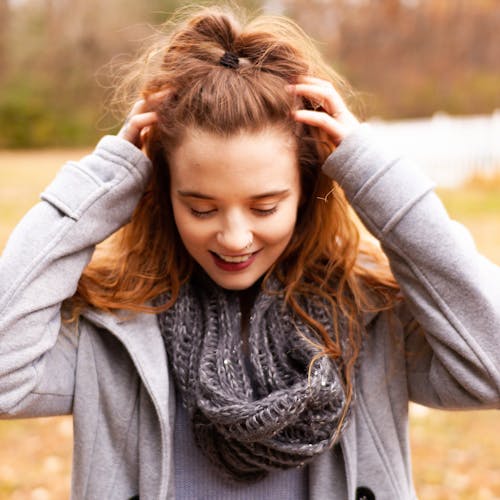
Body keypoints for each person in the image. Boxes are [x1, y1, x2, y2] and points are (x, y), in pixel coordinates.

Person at [0, 4, 499, 499]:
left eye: (264, 208)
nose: (235, 238)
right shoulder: (114, 323)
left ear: (306, 191)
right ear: (161, 190)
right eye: (201, 209)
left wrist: (375, 179)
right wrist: (101, 182)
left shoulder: (372, 315)